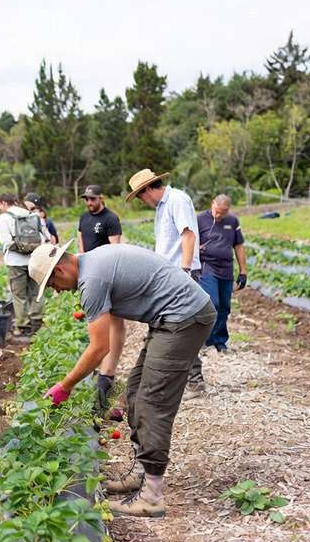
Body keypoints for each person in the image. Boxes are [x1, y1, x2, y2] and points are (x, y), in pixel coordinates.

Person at [29, 242, 215, 518]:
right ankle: (141, 474)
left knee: (152, 403)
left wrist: (65, 386)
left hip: (184, 317)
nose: (57, 291)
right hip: (170, 318)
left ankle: (152, 497)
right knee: (135, 392)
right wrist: (106, 374)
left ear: (59, 270)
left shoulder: (91, 280)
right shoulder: (94, 264)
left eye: (52, 284)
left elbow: (98, 347)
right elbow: (113, 332)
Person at [127, 169, 205, 396]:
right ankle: (174, 379)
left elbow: (188, 235)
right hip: (167, 274)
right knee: (167, 326)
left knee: (184, 326)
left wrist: (185, 271)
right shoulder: (162, 207)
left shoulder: (177, 200)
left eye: (140, 196)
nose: (142, 201)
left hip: (180, 274)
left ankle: (195, 381)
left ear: (147, 189)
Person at [76, 184, 125, 417]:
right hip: (89, 275)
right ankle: (100, 364)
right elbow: (81, 242)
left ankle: (108, 372)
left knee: (115, 322)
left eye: (92, 199)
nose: (89, 203)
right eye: (86, 199)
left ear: (101, 198)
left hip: (106, 275)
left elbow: (116, 249)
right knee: (96, 323)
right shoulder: (83, 218)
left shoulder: (111, 219)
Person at [196, 194, 247, 357]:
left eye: (223, 212)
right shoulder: (200, 219)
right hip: (207, 266)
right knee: (212, 303)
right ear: (212, 204)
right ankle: (203, 340)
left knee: (225, 307)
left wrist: (243, 271)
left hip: (226, 268)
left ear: (228, 210)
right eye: (217, 211)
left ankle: (219, 341)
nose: (218, 215)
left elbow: (238, 246)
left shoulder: (233, 221)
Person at [0, 192, 47, 336]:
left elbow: (5, 241)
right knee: (36, 292)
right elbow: (44, 237)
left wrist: (20, 247)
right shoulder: (33, 215)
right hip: (34, 260)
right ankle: (36, 322)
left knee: (19, 295)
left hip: (15, 262)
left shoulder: (4, 218)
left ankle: (21, 325)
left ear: (3, 203)